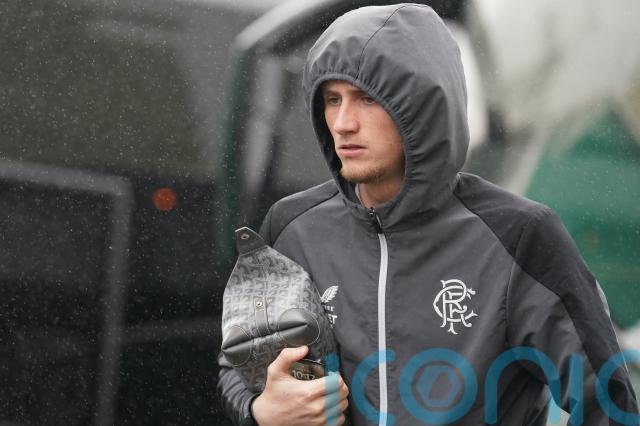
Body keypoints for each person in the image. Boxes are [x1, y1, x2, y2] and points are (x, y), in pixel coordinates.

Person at [217, 4, 639, 425]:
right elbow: (239, 363)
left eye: (367, 98)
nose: (343, 123)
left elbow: (609, 403)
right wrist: (261, 411)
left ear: (422, 104)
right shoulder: (292, 227)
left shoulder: (519, 235)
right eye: (332, 100)